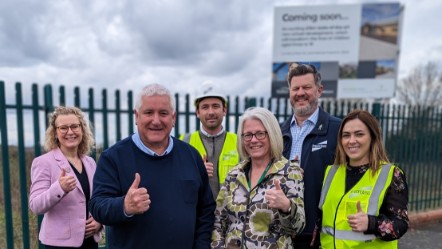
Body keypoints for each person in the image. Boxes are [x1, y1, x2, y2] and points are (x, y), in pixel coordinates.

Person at [89, 83, 216, 249]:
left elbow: (206, 209)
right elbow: (97, 205)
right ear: (136, 116)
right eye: (148, 112)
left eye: (163, 113)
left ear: (173, 117)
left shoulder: (191, 156)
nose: (156, 121)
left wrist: (201, 246)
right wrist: (124, 206)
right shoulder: (113, 157)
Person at [212, 107, 305, 249]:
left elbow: (298, 228)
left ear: (272, 134)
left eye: (260, 134)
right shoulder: (234, 174)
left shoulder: (290, 172)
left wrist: (287, 207)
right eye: (248, 135)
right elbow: (219, 221)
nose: (253, 140)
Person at [318, 109, 409, 248]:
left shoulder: (390, 174)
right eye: (346, 135)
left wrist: (371, 223)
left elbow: (400, 225)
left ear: (372, 137)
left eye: (359, 134)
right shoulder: (331, 172)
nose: (351, 141)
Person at [280, 63, 341, 248]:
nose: (300, 93)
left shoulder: (337, 130)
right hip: (282, 231)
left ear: (319, 90)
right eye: (295, 88)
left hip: (319, 234)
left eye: (306, 87)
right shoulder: (277, 132)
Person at [29, 106, 102, 249]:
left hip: (90, 242)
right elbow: (35, 206)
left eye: (75, 126)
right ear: (55, 133)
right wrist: (59, 188)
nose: (70, 132)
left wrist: (99, 222)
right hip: (58, 244)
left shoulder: (90, 162)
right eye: (63, 128)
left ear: (82, 129)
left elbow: (98, 199)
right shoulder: (43, 162)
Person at [180, 80, 240, 199]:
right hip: (197, 215)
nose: (211, 112)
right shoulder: (184, 142)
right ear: (198, 112)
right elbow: (176, 180)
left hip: (231, 214)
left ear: (224, 110)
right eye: (205, 107)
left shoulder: (239, 142)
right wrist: (196, 172)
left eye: (216, 106)